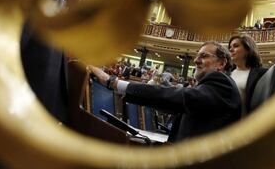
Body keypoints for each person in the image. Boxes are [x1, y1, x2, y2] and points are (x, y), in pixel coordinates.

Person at [88, 41, 242, 142]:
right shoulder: (211, 87)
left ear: (221, 63)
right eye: (196, 55)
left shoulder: (222, 85)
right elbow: (173, 103)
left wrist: (113, 82)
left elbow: (173, 97)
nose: (196, 60)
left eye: (203, 56)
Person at [228, 35, 267, 116]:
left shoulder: (263, 74)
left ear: (248, 49)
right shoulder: (226, 73)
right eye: (230, 47)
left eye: (236, 46)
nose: (231, 49)